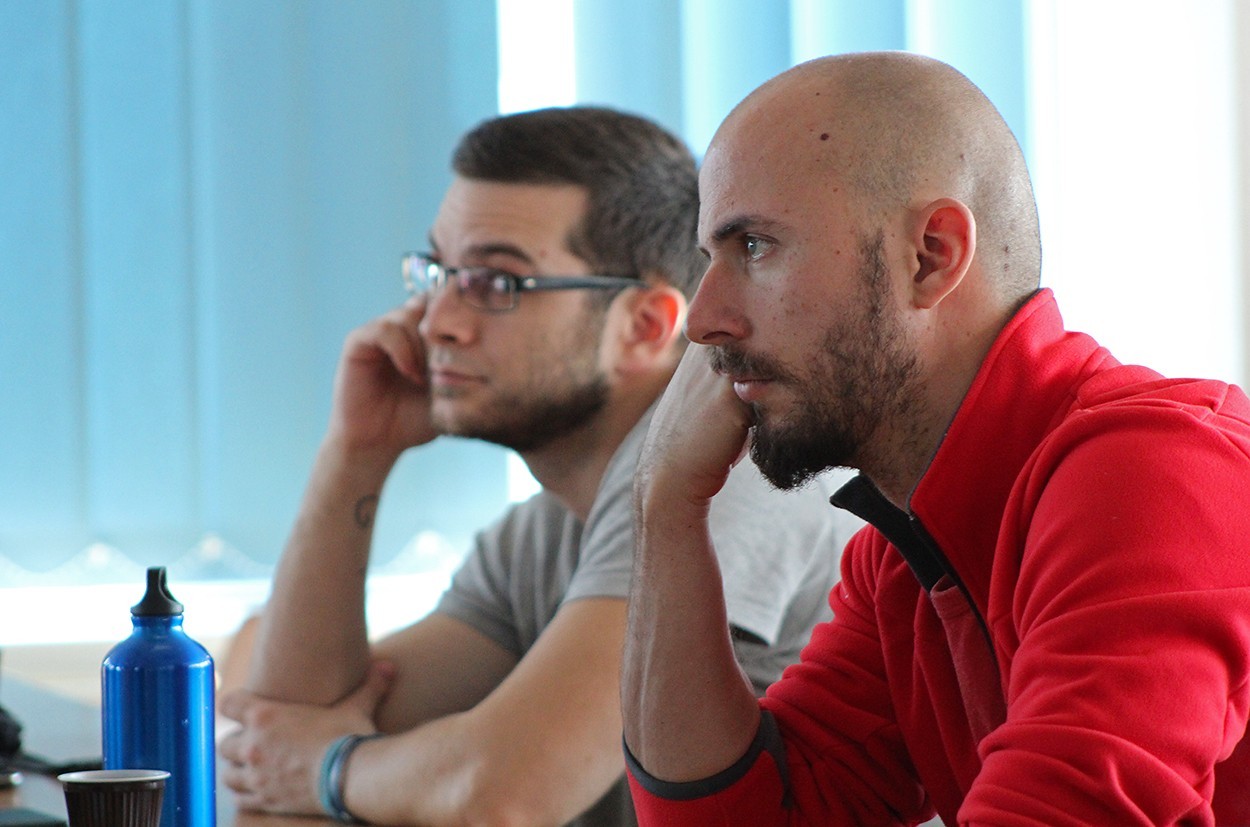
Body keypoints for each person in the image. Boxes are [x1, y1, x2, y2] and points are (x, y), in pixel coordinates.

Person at [621, 52, 1250, 826]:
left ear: (931, 257)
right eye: (709, 258)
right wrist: (665, 504)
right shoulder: (900, 557)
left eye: (754, 245)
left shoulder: (1159, 473)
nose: (702, 320)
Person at [215, 106, 859, 827]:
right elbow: (274, 735)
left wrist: (328, 769)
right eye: (438, 273)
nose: (435, 322)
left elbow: (502, 794)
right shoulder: (538, 534)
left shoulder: (728, 481)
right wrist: (354, 454)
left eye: (496, 283)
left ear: (644, 326)